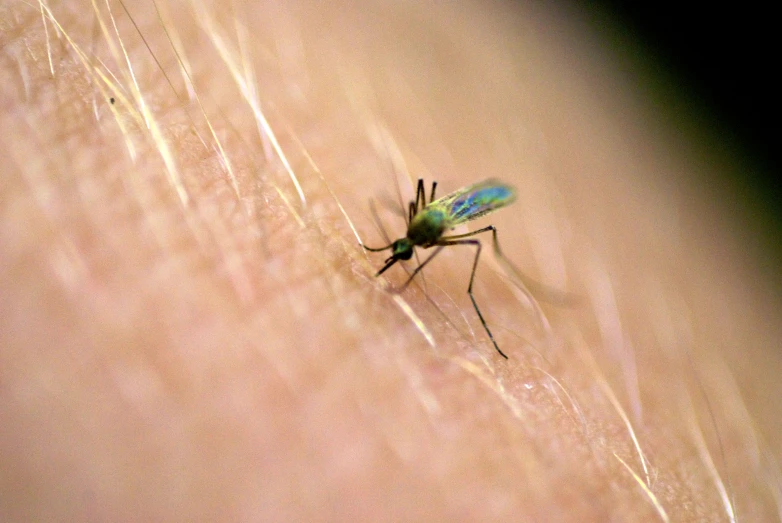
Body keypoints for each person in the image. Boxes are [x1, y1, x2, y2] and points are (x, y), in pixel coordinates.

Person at [1, 1, 779, 520]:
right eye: (403, 247)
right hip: (448, 205)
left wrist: (423, 255)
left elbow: (455, 216)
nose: (399, 254)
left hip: (476, 210)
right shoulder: (414, 225)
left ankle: (497, 295)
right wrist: (397, 243)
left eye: (402, 248)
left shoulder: (443, 228)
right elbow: (415, 219)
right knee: (426, 201)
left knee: (481, 242)